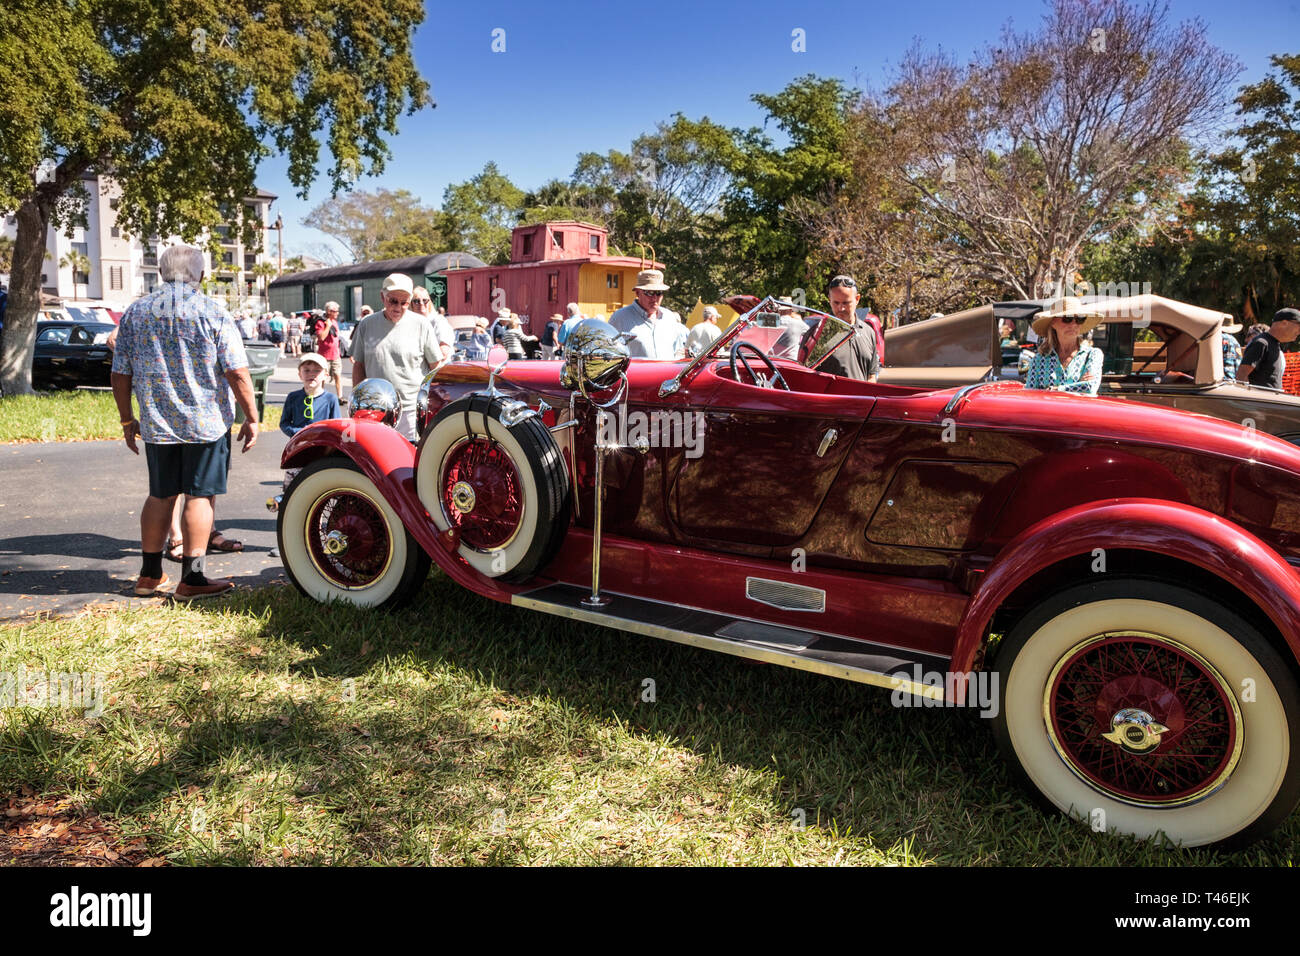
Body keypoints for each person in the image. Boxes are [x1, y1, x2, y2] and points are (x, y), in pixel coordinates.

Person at [110, 243, 258, 600]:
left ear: (161, 273)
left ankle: (149, 575)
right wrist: (252, 416)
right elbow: (236, 372)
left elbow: (120, 373)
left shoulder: (136, 312)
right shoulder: (213, 311)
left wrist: (127, 420)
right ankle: (191, 579)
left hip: (158, 423)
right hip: (205, 423)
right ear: (201, 275)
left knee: (160, 495)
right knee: (199, 496)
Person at [350, 273, 447, 441]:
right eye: (393, 301)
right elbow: (359, 365)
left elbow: (435, 367)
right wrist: (357, 403)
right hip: (376, 408)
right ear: (382, 297)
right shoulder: (367, 324)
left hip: (411, 409)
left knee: (408, 460)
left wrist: (435, 404)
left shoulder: (421, 324)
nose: (398, 307)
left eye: (404, 303)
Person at [1022, 296, 1104, 395]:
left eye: (1079, 319)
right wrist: (1077, 386)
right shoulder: (1039, 359)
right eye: (1068, 318)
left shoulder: (1092, 355)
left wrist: (1054, 390)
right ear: (1053, 322)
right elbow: (1030, 394)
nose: (1074, 324)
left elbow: (1090, 387)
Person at [609, 269, 687, 360]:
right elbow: (610, 353)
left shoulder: (669, 317)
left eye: (659, 293)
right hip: (634, 374)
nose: (654, 298)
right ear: (637, 293)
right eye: (649, 293)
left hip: (669, 374)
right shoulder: (619, 318)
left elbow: (677, 351)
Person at [816, 275, 880, 382]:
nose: (841, 308)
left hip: (862, 398)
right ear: (829, 300)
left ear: (857, 299)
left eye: (846, 303)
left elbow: (871, 375)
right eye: (836, 303)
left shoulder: (869, 332)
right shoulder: (819, 333)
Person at [1237, 308, 1300, 390]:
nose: (1299, 332)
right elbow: (1241, 375)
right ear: (1284, 323)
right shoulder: (1261, 343)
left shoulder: (1274, 344)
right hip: (1260, 401)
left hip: (1269, 401)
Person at [410, 286, 456, 361]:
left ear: (429, 302)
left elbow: (443, 353)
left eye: (425, 300)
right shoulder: (410, 323)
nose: (421, 303)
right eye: (416, 301)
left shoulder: (439, 321)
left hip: (440, 370)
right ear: (411, 304)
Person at [313, 302, 345, 399]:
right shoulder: (321, 322)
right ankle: (319, 396)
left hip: (335, 355)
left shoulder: (334, 322)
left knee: (338, 376)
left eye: (337, 311)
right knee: (322, 377)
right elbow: (321, 337)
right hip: (324, 356)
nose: (337, 313)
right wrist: (327, 326)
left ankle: (340, 397)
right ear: (328, 311)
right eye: (335, 311)